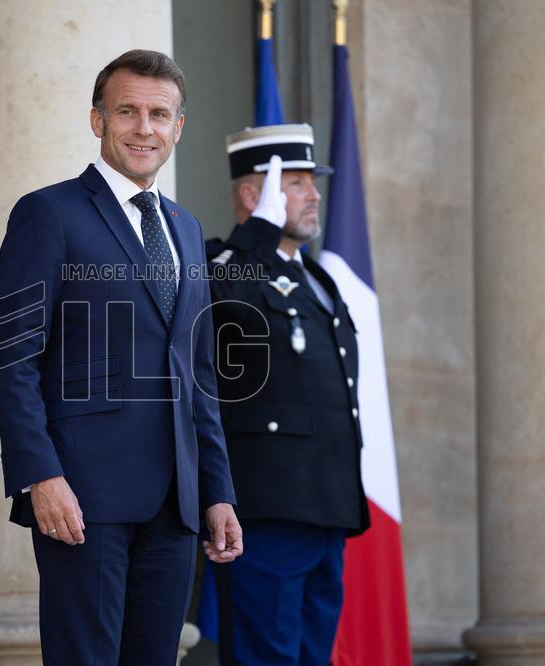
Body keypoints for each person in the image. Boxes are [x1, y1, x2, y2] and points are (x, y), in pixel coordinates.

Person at [0, 49, 243, 665]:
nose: (144, 128)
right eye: (127, 111)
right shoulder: (47, 213)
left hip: (176, 502)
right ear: (98, 120)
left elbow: (198, 375)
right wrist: (40, 476)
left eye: (160, 114)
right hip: (83, 496)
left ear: (178, 127)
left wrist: (217, 490)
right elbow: (14, 357)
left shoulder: (185, 228)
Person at [204, 123, 370, 665]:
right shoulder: (228, 264)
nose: (315, 194)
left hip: (325, 507)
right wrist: (260, 231)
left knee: (310, 656)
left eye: (311, 182)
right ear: (255, 195)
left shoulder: (318, 278)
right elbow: (218, 301)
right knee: (265, 657)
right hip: (267, 509)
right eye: (296, 182)